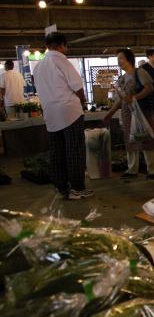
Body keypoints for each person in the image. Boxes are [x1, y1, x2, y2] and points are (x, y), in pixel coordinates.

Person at [33, 32, 93, 199]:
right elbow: (77, 86)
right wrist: (82, 101)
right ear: (61, 45)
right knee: (74, 150)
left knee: (57, 152)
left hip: (50, 114)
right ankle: (77, 189)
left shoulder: (38, 66)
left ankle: (61, 188)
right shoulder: (60, 59)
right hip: (69, 112)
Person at [103, 48, 154, 179]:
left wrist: (134, 97)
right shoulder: (121, 79)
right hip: (127, 113)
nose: (119, 61)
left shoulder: (139, 72)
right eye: (117, 59)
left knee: (147, 138)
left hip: (142, 112)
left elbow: (149, 88)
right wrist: (110, 113)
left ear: (129, 59)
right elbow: (120, 100)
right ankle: (132, 169)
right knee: (130, 141)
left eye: (121, 58)